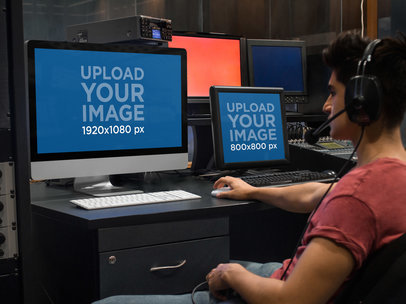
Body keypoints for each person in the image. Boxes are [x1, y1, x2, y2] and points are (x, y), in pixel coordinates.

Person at [93, 30, 406, 304]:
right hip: (309, 283)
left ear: (360, 103)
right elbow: (319, 194)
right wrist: (254, 190)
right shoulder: (391, 177)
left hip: (286, 294)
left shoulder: (354, 200)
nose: (326, 106)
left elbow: (292, 300)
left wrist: (234, 276)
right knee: (215, 266)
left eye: (333, 93)